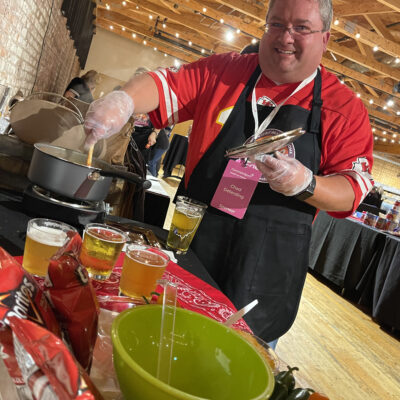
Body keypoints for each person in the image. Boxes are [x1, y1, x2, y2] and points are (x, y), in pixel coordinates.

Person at [83, 0, 374, 348]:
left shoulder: (343, 107)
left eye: (301, 27)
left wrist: (304, 183)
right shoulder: (225, 71)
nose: (285, 37)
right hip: (194, 249)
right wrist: (124, 100)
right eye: (277, 24)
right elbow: (165, 85)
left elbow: (352, 190)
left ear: (325, 38)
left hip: (266, 271)